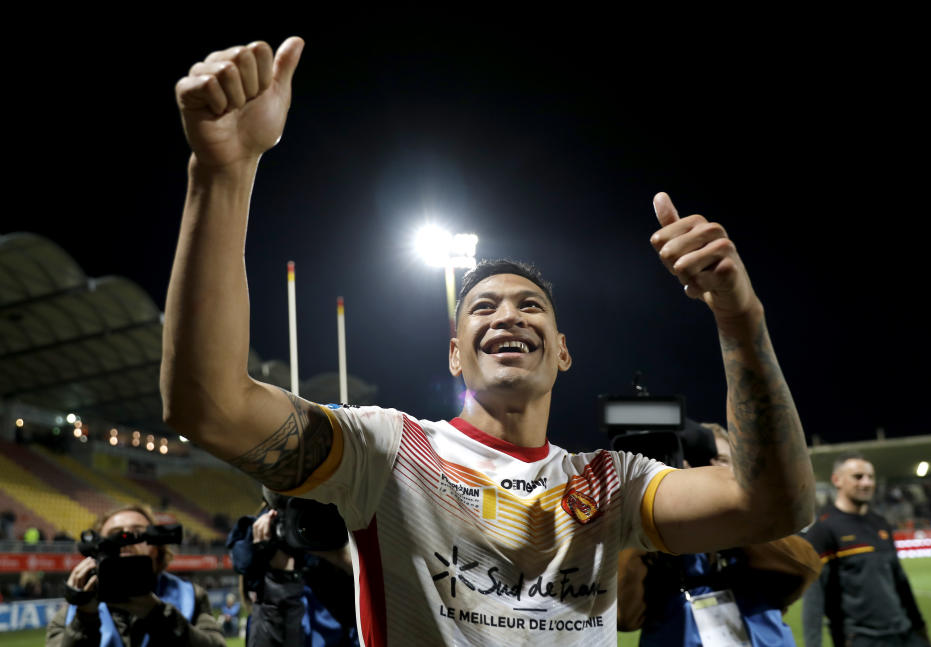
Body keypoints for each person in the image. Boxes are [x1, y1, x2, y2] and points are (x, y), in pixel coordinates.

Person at [160, 36, 815, 645]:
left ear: (562, 350)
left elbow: (776, 505)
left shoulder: (611, 484)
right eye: (483, 307)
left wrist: (740, 317)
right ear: (455, 352)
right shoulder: (387, 451)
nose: (509, 315)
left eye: (531, 306)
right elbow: (209, 406)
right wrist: (222, 172)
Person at [618, 422, 822, 646]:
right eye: (697, 464)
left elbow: (802, 571)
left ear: (741, 469)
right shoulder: (657, 540)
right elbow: (624, 617)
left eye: (720, 462)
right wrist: (649, 510)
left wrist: (730, 516)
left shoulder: (759, 527)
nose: (708, 473)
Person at [45, 504, 225, 647]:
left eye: (137, 534)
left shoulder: (191, 596)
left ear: (156, 547)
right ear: (96, 548)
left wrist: (158, 614)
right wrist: (85, 618)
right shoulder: (74, 609)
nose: (125, 540)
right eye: (115, 535)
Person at [801, 454, 931, 647]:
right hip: (861, 639)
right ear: (837, 480)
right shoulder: (823, 530)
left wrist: (920, 627)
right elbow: (814, 598)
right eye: (858, 477)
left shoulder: (881, 523)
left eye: (871, 477)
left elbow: (900, 581)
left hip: (904, 633)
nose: (867, 483)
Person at [227, 499, 358, 646]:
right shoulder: (268, 588)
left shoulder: (338, 581)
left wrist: (349, 562)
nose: (301, 532)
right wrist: (279, 577)